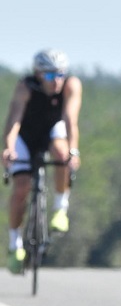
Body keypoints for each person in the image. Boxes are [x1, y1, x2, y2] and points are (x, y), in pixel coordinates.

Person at [2, 49, 82, 273]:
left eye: (59, 74)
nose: (56, 81)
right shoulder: (25, 87)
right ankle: (14, 244)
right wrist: (8, 148)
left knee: (61, 152)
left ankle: (59, 208)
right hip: (25, 136)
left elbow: (70, 120)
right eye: (49, 76)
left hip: (52, 130)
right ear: (38, 74)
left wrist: (73, 151)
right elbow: (14, 122)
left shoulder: (71, 85)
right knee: (21, 187)